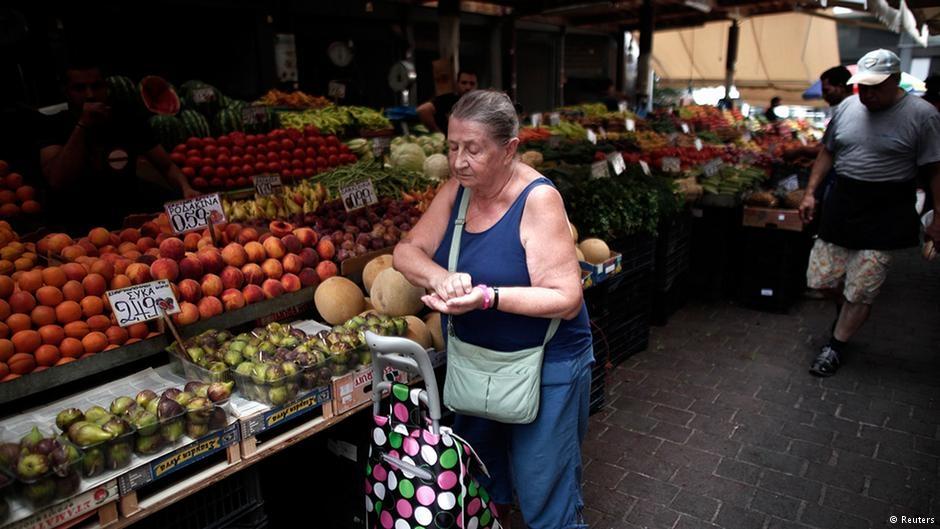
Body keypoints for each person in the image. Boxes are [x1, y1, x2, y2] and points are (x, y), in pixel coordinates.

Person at [394, 90, 593, 529]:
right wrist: (440, 278)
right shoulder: (456, 193)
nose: (459, 160)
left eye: (473, 149)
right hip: (477, 367)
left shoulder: (539, 200)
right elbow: (406, 253)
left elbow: (565, 297)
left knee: (546, 496)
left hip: (546, 368)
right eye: (452, 147)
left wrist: (487, 297)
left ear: (509, 149)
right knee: (482, 484)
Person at [799, 49, 940, 377]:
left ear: (895, 80)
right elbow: (827, 152)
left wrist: (938, 219)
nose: (869, 94)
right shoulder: (848, 107)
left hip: (888, 208)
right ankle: (848, 310)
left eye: (876, 87)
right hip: (843, 201)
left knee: (863, 287)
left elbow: (935, 170)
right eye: (864, 86)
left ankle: (835, 346)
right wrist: (810, 194)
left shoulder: (923, 116)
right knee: (821, 279)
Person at [39, 59, 197, 232]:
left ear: (106, 87)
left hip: (128, 218)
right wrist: (83, 125)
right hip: (78, 223)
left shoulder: (126, 119)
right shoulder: (52, 125)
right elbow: (57, 180)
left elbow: (166, 166)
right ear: (65, 91)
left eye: (96, 86)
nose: (90, 95)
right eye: (79, 88)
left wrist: (185, 187)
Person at [416, 69, 478, 135]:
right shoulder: (447, 100)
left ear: (476, 85)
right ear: (457, 84)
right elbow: (423, 110)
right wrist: (437, 133)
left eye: (472, 84)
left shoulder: (481, 104)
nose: (468, 87)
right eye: (464, 83)